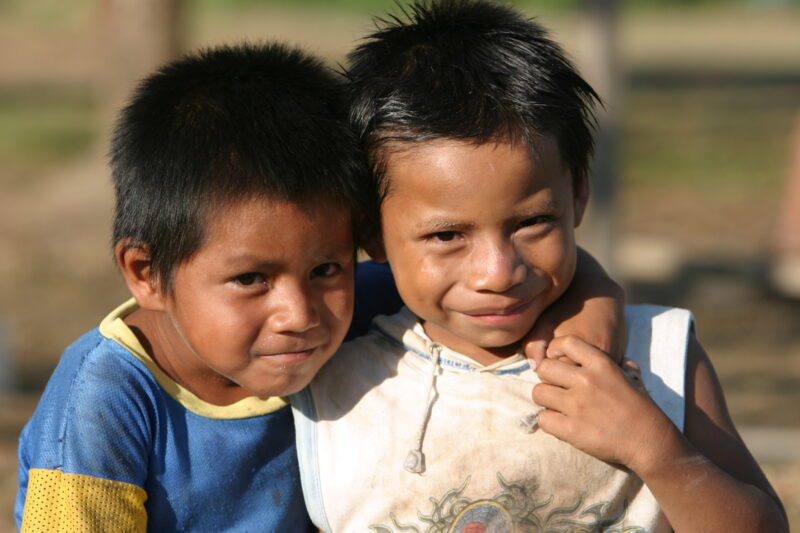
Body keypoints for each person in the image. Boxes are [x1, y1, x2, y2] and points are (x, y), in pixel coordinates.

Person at [15, 39, 624, 532]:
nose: (297, 312)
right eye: (251, 279)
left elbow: (520, 272)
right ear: (147, 274)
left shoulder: (357, 306)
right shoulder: (102, 404)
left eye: (326, 269)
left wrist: (594, 304)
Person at [291, 1, 788, 532]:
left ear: (578, 193)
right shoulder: (330, 383)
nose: (498, 272)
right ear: (371, 232)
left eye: (531, 223)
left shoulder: (659, 356)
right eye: (447, 235)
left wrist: (658, 450)